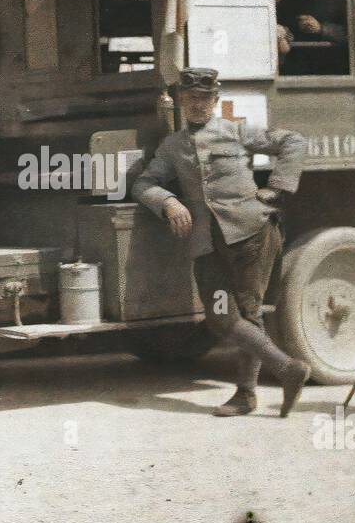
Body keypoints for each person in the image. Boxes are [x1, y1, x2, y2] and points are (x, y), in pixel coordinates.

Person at [133, 67, 313, 418]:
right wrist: (168, 202)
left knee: (249, 312)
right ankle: (289, 369)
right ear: (181, 102)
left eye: (204, 98)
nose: (197, 104)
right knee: (219, 316)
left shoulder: (234, 131)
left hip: (251, 234)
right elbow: (143, 184)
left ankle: (246, 395)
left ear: (215, 101)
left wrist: (276, 188)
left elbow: (293, 141)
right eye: (190, 98)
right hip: (206, 241)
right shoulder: (172, 146)